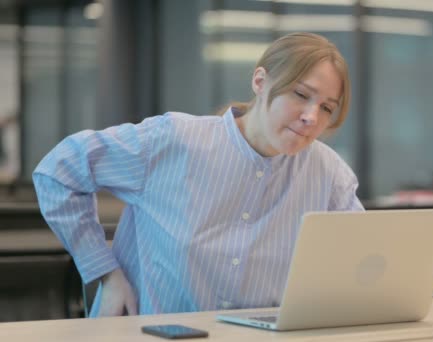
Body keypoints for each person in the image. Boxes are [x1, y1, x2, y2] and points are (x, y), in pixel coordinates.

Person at [33, 32, 363, 318]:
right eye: (301, 95)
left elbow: (363, 261)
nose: (311, 117)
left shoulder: (328, 173)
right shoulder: (174, 140)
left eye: (326, 108)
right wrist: (104, 272)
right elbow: (57, 171)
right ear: (260, 82)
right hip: (147, 334)